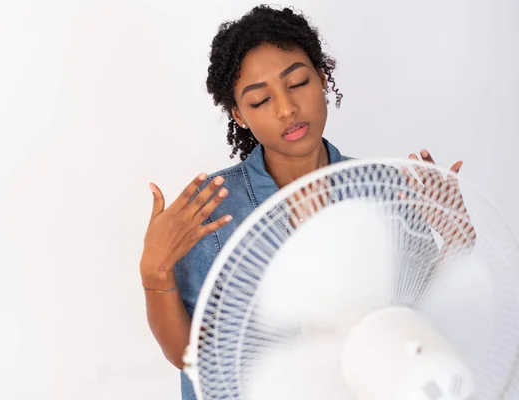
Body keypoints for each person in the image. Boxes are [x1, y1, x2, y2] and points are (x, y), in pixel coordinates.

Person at [139, 5, 473, 400]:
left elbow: (417, 322)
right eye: (260, 101)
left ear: (322, 77)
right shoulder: (214, 207)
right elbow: (188, 355)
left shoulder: (383, 187)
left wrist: (457, 238)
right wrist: (155, 272)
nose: (286, 109)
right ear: (240, 116)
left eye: (297, 83)